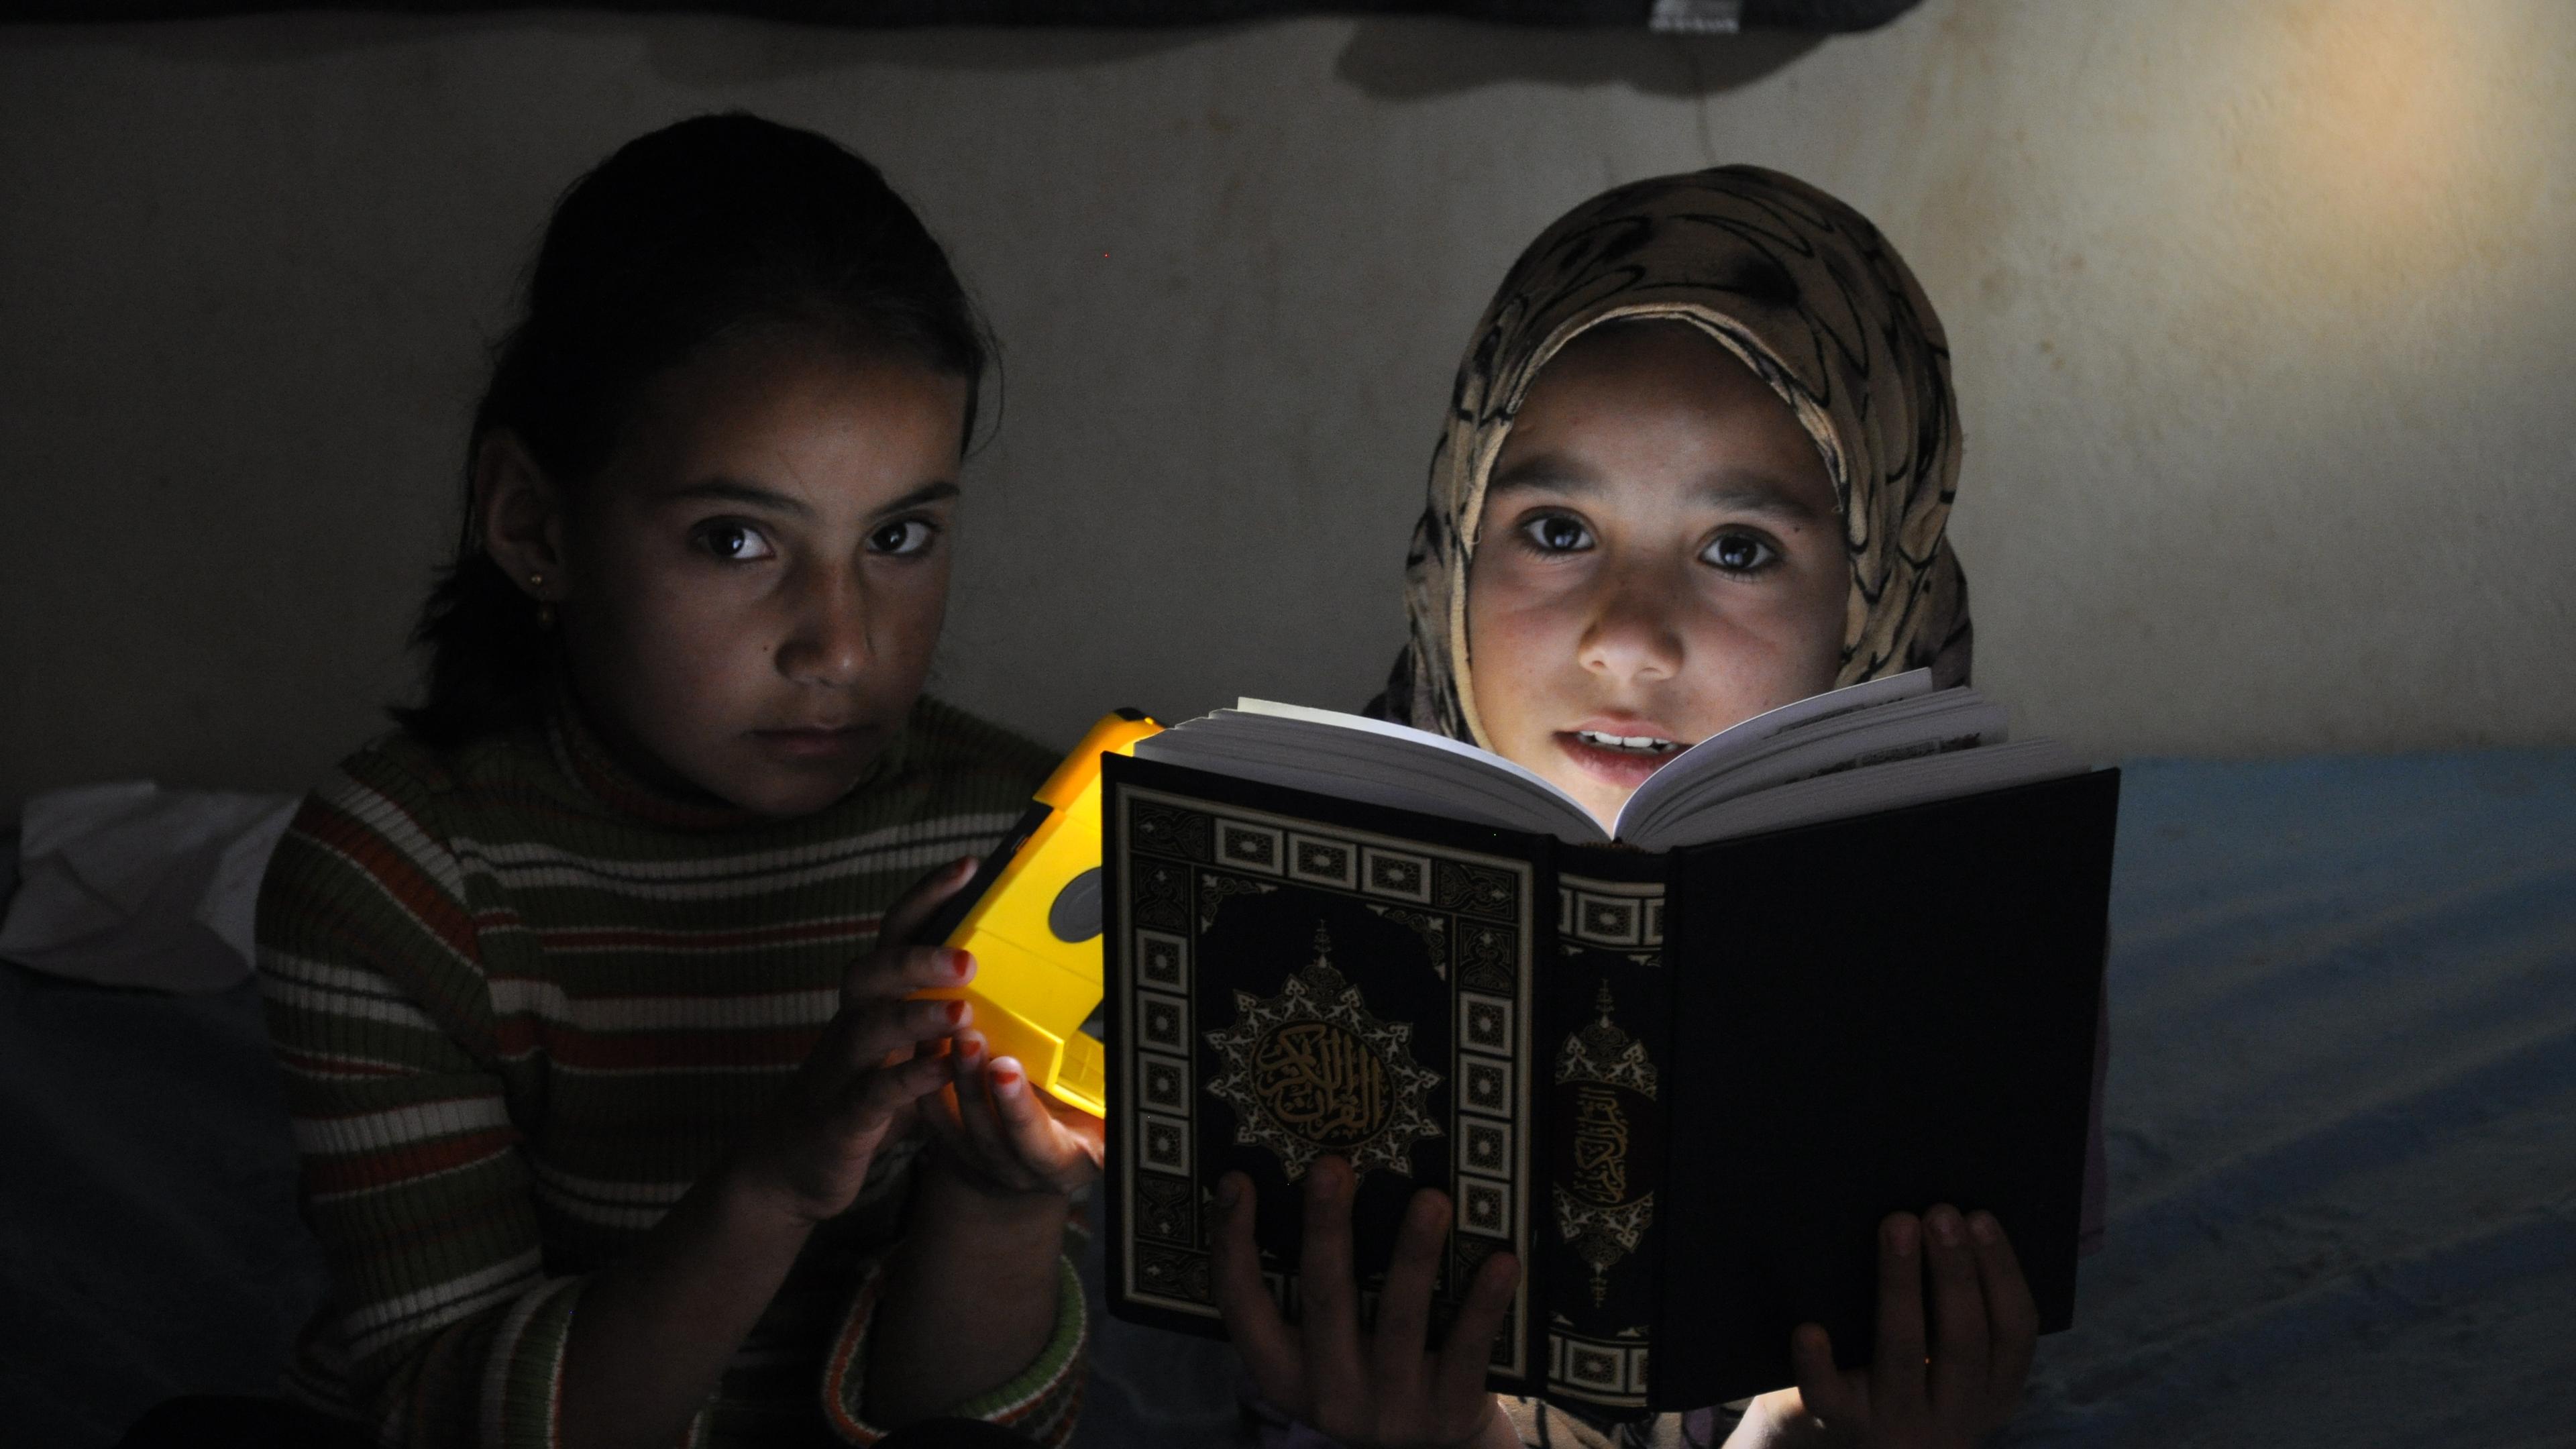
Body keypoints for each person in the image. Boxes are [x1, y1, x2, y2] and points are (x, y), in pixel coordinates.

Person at [239, 114, 1099, 1449]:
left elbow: (974, 1433)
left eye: (902, 536)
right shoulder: (403, 876)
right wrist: (774, 1182)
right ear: (533, 524)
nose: (841, 644)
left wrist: (999, 1200)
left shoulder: (1009, 850)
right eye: (738, 537)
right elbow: (450, 1418)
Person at [1210, 167, 2052, 1449]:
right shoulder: (1294, 899)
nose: (1628, 639)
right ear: (1453, 545)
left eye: (1737, 550)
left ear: (1874, 593)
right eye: (1556, 529)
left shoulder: (1977, 942)